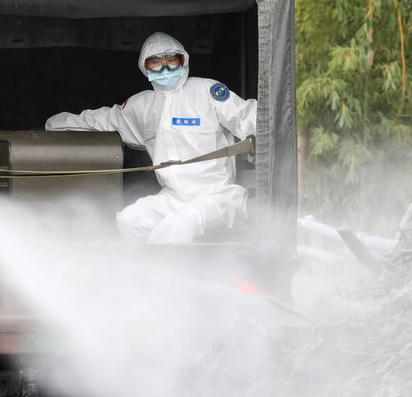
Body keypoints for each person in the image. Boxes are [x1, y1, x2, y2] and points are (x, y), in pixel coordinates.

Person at [46, 32, 256, 243]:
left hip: (218, 196)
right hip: (173, 197)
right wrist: (51, 124)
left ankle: (168, 275)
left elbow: (249, 117)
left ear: (182, 61)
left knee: (179, 224)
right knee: (130, 220)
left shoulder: (207, 91)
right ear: (145, 67)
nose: (165, 68)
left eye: (171, 60)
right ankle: (143, 272)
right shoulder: (142, 106)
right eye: (156, 62)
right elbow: (101, 120)